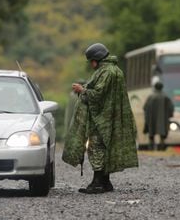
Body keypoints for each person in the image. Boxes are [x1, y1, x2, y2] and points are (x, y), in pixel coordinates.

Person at [62, 43, 139, 194]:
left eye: (91, 61)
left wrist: (82, 90)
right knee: (104, 148)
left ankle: (98, 183)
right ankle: (105, 182)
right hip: (110, 118)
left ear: (96, 59)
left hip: (102, 118)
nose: (91, 64)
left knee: (95, 147)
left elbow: (98, 94)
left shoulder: (106, 72)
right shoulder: (115, 70)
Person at [143, 81, 174, 151]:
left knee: (151, 135)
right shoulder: (166, 97)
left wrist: (147, 118)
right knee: (162, 136)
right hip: (162, 120)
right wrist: (169, 115)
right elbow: (171, 108)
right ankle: (161, 148)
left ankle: (151, 148)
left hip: (152, 119)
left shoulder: (151, 97)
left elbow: (145, 108)